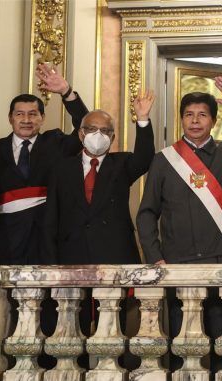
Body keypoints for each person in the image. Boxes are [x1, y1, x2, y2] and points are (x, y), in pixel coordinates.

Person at [136, 77, 222, 372]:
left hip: (220, 262)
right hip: (175, 264)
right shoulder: (164, 160)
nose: (194, 121)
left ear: (213, 120)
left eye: (202, 115)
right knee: (179, 341)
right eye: (188, 114)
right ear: (181, 119)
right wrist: (155, 257)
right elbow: (146, 213)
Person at [44, 90, 155, 369]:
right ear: (81, 134)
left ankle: (114, 373)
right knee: (73, 329)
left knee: (114, 328)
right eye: (92, 129)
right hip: (72, 257)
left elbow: (145, 157)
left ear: (113, 138)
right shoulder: (62, 168)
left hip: (114, 255)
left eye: (105, 131)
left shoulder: (123, 164)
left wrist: (142, 120)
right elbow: (51, 218)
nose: (98, 135)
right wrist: (49, 264)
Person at [0, 64, 88, 265]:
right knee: (9, 293)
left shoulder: (56, 142)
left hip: (50, 231)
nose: (26, 120)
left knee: (49, 292)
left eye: (33, 114)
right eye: (20, 114)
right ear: (10, 118)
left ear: (42, 118)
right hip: (8, 234)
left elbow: (87, 126)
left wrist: (66, 92)